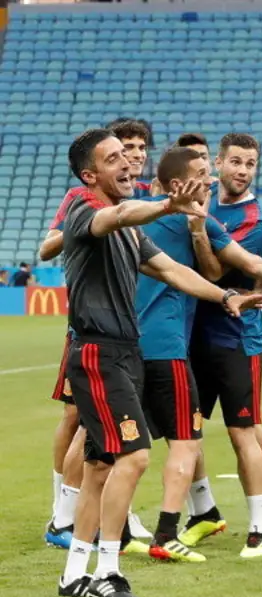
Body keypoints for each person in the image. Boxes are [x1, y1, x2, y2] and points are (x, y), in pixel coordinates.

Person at [55, 127, 262, 597]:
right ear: (91, 175)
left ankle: (74, 574)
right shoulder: (85, 210)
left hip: (123, 351)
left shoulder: (130, 230)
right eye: (113, 159)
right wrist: (169, 207)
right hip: (98, 353)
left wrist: (227, 295)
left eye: (128, 157)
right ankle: (108, 570)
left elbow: (175, 271)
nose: (127, 164)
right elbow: (123, 212)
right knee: (134, 456)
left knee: (98, 466)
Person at [138, 145, 262, 561]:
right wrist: (239, 290)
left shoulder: (143, 216)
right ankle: (172, 529)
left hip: (212, 341)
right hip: (172, 344)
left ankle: (250, 525)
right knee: (182, 439)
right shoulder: (168, 216)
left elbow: (247, 267)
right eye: (205, 171)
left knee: (218, 433)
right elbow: (233, 271)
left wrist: (259, 275)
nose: (213, 179)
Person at [42, 119, 162, 550]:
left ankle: (97, 531)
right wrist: (83, 234)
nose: (133, 155)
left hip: (126, 332)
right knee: (80, 420)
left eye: (139, 147)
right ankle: (64, 512)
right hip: (93, 334)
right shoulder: (82, 199)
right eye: (123, 149)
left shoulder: (138, 196)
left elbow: (163, 261)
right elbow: (47, 245)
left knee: (104, 439)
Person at [185, 132, 262, 556]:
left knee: (245, 428)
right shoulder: (202, 196)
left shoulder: (256, 218)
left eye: (250, 164)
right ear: (218, 163)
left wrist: (198, 227)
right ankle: (203, 512)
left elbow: (216, 272)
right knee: (187, 429)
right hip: (194, 334)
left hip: (239, 336)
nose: (242, 170)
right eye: (235, 161)